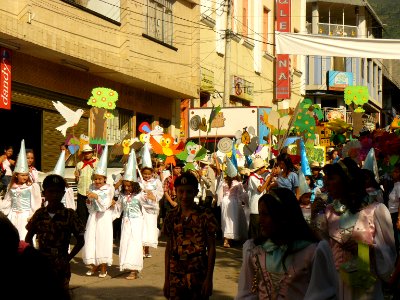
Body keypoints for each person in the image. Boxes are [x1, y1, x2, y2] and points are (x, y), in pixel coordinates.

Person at [313, 158, 396, 299]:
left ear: (348, 180)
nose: (327, 183)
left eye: (332, 178)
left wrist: (364, 249)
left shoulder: (375, 211)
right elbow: (322, 250)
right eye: (327, 179)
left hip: (366, 288)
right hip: (337, 286)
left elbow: (389, 254)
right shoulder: (328, 213)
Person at [236, 188, 338, 299]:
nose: (261, 220)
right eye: (260, 214)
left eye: (266, 214)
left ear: (283, 216)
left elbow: (321, 294)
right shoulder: (255, 249)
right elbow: (246, 292)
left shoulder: (312, 251)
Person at [25, 174, 85, 295]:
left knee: (60, 293)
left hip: (61, 262)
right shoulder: (40, 214)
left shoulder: (70, 215)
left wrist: (68, 257)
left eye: (58, 192)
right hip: (42, 262)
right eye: (50, 191)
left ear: (63, 193)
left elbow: (81, 240)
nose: (54, 195)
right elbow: (28, 237)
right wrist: (34, 257)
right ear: (44, 193)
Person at [163, 172, 218, 299]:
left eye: (189, 191)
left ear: (195, 192)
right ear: (175, 191)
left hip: (198, 272)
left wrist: (209, 279)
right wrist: (167, 280)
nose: (184, 196)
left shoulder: (205, 215)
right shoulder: (171, 216)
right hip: (176, 274)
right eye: (181, 191)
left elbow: (211, 249)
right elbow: (168, 249)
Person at [0, 211, 67, 300]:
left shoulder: (34, 263)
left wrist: (68, 257)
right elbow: (29, 235)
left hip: (57, 259)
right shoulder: (40, 214)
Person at [82, 146, 115, 278]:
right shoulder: (91, 187)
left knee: (102, 240)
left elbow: (106, 204)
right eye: (95, 179)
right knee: (91, 239)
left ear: (105, 179)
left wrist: (97, 197)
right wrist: (89, 201)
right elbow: (90, 206)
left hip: (103, 217)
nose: (97, 182)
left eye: (100, 179)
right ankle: (93, 264)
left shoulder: (109, 189)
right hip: (94, 216)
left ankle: (103, 267)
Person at [0, 140, 42, 240]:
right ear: (16, 175)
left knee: (24, 238)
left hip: (25, 216)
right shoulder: (12, 187)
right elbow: (7, 202)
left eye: (26, 175)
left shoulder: (31, 187)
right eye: (22, 175)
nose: (25, 177)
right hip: (13, 216)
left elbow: (36, 203)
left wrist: (33, 215)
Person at [115, 149, 147, 280]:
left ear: (134, 185)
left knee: (134, 244)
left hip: (136, 222)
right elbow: (118, 208)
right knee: (126, 243)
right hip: (126, 221)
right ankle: (128, 266)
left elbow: (149, 206)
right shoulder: (122, 196)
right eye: (125, 186)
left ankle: (135, 269)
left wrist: (151, 198)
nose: (127, 188)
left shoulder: (139, 195)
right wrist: (111, 206)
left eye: (129, 186)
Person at [220, 159, 248, 248]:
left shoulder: (223, 182)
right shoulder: (237, 183)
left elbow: (220, 193)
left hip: (225, 202)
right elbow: (242, 194)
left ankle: (226, 239)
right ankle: (229, 239)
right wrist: (246, 201)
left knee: (225, 220)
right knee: (233, 220)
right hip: (233, 202)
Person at [140, 166, 163, 258]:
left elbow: (160, 192)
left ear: (152, 173)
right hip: (141, 208)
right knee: (142, 228)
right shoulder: (139, 181)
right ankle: (141, 249)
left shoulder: (156, 182)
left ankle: (147, 248)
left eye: (149, 174)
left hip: (152, 208)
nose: (147, 175)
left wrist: (153, 196)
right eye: (145, 173)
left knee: (150, 228)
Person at [74, 144, 98, 225]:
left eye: (89, 152)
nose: (87, 154)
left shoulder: (97, 163)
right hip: (81, 193)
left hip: (92, 193)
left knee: (91, 214)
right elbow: (77, 180)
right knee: (81, 214)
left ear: (92, 153)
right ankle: (83, 232)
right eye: (85, 153)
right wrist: (76, 177)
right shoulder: (79, 164)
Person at [246, 157, 267, 239]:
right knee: (255, 230)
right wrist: (269, 178)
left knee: (259, 229)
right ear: (260, 169)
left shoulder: (259, 178)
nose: (265, 169)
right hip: (255, 207)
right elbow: (260, 189)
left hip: (260, 207)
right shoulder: (253, 178)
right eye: (263, 167)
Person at [389, 163, 400, 251]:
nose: (393, 173)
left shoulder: (399, 186)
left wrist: (399, 219)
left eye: (396, 172)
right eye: (394, 171)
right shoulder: (396, 185)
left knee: (397, 238)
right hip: (393, 214)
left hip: (396, 214)